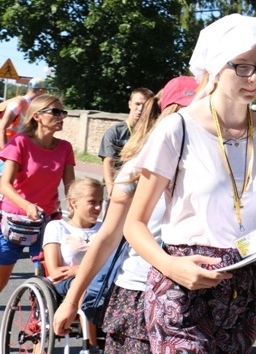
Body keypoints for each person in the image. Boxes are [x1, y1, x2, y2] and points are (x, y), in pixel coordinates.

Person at [123, 14, 256, 354]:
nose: (255, 78)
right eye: (243, 66)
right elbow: (134, 224)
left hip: (244, 289)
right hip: (182, 287)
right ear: (216, 65)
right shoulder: (178, 129)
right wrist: (171, 266)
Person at [53, 76, 198, 354]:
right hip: (139, 292)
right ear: (173, 114)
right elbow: (107, 237)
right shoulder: (136, 169)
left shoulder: (212, 171)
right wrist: (72, 300)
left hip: (195, 297)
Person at [0, 94, 75, 293]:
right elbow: (4, 184)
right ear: (37, 116)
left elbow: (70, 185)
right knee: (1, 281)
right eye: (55, 112)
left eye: (63, 113)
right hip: (15, 221)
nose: (61, 117)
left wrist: (79, 207)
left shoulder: (65, 148)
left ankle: (40, 320)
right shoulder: (20, 142)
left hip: (47, 222)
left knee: (50, 278)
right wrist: (27, 205)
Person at [43, 177, 104, 349]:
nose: (99, 207)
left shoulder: (104, 228)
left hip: (101, 280)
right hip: (65, 284)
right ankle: (90, 345)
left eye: (101, 201)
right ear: (74, 202)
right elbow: (56, 271)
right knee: (83, 285)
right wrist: (83, 271)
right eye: (92, 202)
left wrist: (77, 269)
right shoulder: (57, 227)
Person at [98, 87, 153, 194]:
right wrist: (111, 191)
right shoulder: (114, 132)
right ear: (130, 104)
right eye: (137, 104)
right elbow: (108, 163)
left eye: (145, 105)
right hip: (118, 188)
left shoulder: (152, 133)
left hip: (140, 191)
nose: (140, 108)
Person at [0, 77, 48, 150]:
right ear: (40, 90)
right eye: (46, 91)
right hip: (8, 147)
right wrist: (4, 150)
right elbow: (2, 127)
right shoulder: (17, 104)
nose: (46, 94)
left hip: (17, 147)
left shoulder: (32, 105)